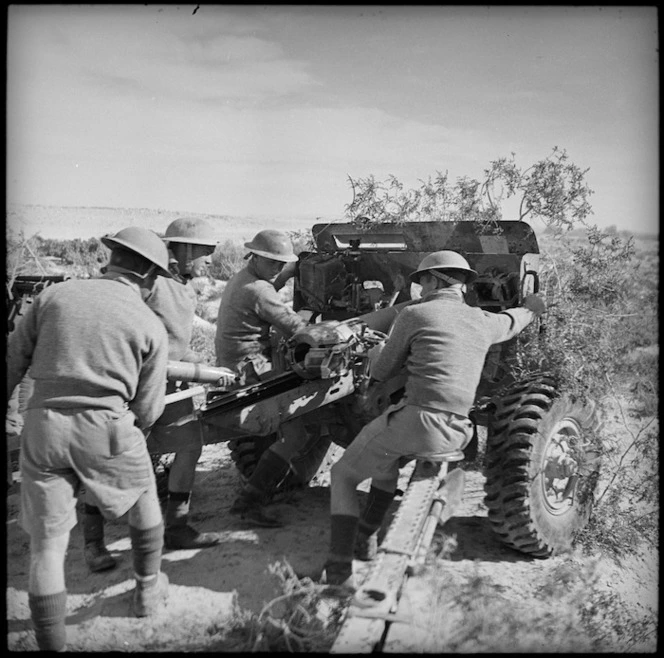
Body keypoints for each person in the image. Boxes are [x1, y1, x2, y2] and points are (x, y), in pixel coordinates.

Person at [322, 250, 547, 587]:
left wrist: (374, 348)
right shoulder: (484, 321)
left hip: (416, 423)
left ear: (433, 280)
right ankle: (366, 539)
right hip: (458, 432)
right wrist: (531, 307)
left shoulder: (414, 314)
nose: (420, 288)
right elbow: (514, 321)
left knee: (342, 474)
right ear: (462, 284)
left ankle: (338, 575)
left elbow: (383, 371)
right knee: (384, 464)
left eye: (422, 280)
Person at [6, 227, 172, 651]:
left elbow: (13, 360)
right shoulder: (148, 323)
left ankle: (51, 642)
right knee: (145, 500)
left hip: (42, 426)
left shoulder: (53, 297)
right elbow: (149, 411)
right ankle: (147, 593)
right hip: (106, 426)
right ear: (150, 276)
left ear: (111, 258)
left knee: (47, 546)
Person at [81, 218, 230, 569]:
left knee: (189, 447)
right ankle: (93, 542)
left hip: (172, 386)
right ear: (184, 250)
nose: (210, 261)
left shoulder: (187, 289)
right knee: (111, 458)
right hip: (136, 387)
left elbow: (173, 345)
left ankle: (177, 526)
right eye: (205, 253)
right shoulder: (148, 283)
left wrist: (200, 362)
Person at [215, 229, 311, 527]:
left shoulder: (244, 278)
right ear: (254, 257)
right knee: (300, 425)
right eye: (272, 263)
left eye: (282, 264)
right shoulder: (258, 290)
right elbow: (293, 326)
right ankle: (249, 503)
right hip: (251, 367)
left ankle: (276, 480)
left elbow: (274, 288)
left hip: (239, 361)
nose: (278, 269)